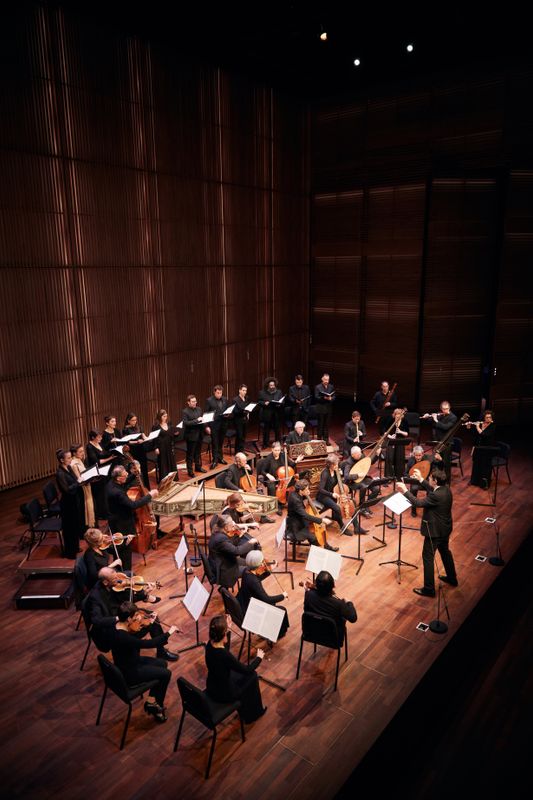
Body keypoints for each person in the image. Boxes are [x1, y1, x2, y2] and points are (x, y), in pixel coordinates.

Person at [85, 566, 178, 661]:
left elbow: (126, 601)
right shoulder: (96, 597)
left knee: (151, 617)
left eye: (117, 576)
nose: (119, 580)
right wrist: (120, 617)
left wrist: (144, 594)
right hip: (113, 628)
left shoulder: (112, 585)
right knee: (151, 622)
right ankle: (136, 652)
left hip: (122, 614)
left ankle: (161, 651)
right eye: (115, 579)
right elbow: (97, 621)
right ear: (105, 582)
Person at [113, 601, 179, 722]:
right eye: (135, 616)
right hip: (130, 673)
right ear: (129, 619)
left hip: (131, 661)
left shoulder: (118, 626)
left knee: (162, 663)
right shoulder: (124, 637)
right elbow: (147, 644)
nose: (138, 619)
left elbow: (136, 638)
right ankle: (156, 706)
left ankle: (151, 701)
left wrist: (150, 624)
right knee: (166, 674)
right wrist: (168, 633)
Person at [397, 468, 457, 597]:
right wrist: (420, 479)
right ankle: (452, 578)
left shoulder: (436, 495)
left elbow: (418, 503)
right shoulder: (446, 489)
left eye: (430, 478)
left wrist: (405, 490)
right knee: (445, 552)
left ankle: (429, 589)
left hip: (434, 532)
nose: (429, 479)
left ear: (435, 481)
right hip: (445, 529)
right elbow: (432, 489)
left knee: (428, 558)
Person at [205, 614, 266, 724]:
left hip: (212, 686)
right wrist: (259, 658)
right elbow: (247, 670)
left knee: (242, 676)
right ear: (223, 635)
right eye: (226, 632)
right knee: (252, 676)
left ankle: (246, 710)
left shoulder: (209, 645)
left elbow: (224, 647)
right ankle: (253, 715)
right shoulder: (224, 655)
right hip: (224, 693)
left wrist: (227, 628)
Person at [105, 464, 159, 570]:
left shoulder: (112, 483)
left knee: (119, 549)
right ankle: (126, 573)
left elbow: (124, 483)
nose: (127, 475)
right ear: (118, 478)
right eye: (125, 475)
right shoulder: (117, 493)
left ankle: (120, 570)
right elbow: (133, 505)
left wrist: (133, 475)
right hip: (122, 524)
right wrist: (149, 496)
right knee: (125, 551)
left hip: (115, 520)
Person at [237, 550, 289, 639]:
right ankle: (278, 634)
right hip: (251, 609)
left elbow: (257, 579)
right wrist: (282, 596)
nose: (264, 563)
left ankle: (268, 628)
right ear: (260, 565)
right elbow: (267, 599)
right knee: (282, 610)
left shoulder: (246, 571)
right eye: (262, 561)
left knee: (274, 604)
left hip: (245, 602)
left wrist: (269, 570)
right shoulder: (253, 581)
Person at [303, 570, 357, 646]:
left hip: (310, 634)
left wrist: (310, 589)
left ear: (316, 584)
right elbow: (353, 618)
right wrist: (349, 603)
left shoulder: (308, 595)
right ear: (333, 586)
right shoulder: (338, 604)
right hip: (332, 639)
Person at [208, 515, 260, 589]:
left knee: (250, 562)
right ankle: (247, 591)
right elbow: (237, 551)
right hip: (225, 570)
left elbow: (229, 546)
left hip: (224, 561)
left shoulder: (217, 531)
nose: (233, 525)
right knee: (252, 570)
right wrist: (250, 543)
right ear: (226, 527)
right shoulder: (220, 539)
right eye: (231, 525)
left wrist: (240, 535)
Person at [286, 478, 335, 550]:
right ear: (300, 491)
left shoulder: (295, 493)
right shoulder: (295, 500)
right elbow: (305, 515)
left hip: (299, 518)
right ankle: (317, 550)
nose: (308, 491)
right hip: (296, 526)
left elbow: (301, 501)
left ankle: (326, 545)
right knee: (314, 537)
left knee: (318, 525)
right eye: (306, 490)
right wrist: (321, 520)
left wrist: (306, 495)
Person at [317, 454, 358, 536]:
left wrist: (340, 475)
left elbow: (339, 484)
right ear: (331, 465)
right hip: (324, 496)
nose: (337, 465)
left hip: (334, 494)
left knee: (352, 502)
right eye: (336, 464)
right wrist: (331, 494)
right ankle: (342, 527)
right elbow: (320, 489)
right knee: (337, 508)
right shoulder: (325, 473)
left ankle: (357, 527)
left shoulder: (336, 471)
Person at [257, 441, 301, 515]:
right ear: (272, 449)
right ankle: (276, 505)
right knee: (271, 487)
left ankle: (289, 502)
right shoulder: (269, 458)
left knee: (293, 484)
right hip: (273, 478)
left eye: (279, 450)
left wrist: (296, 461)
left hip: (282, 479)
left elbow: (291, 465)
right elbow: (263, 471)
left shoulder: (283, 455)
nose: (277, 452)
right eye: (276, 450)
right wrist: (269, 475)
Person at [55, 448, 84, 559]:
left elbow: (75, 480)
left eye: (71, 457)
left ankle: (75, 547)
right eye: (68, 458)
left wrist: (79, 481)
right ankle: (70, 552)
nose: (71, 459)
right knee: (69, 528)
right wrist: (78, 482)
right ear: (62, 460)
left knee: (75, 526)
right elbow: (66, 490)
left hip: (73, 500)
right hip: (67, 504)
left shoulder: (68, 467)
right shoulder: (60, 473)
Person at [342, 445, 382, 522]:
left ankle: (367, 504)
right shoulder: (348, 462)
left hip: (363, 478)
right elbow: (346, 476)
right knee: (363, 487)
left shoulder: (361, 456)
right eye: (358, 455)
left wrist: (377, 455)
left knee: (376, 489)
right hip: (353, 482)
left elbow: (370, 462)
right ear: (353, 455)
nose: (360, 455)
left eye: (360, 454)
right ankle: (361, 506)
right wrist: (357, 475)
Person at [421, 401, 457, 482]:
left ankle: (447, 481)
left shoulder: (453, 417)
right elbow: (431, 421)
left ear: (449, 408)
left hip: (447, 443)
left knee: (446, 463)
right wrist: (427, 417)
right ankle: (439, 480)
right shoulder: (440, 414)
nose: (445, 410)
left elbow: (445, 427)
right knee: (437, 461)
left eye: (447, 409)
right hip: (438, 442)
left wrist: (436, 420)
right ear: (441, 409)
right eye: (443, 409)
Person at [86, 429, 115, 521]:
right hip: (97, 472)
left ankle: (108, 510)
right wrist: (110, 458)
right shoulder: (89, 447)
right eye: (99, 437)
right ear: (93, 437)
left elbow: (104, 453)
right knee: (101, 493)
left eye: (101, 436)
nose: (101, 438)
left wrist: (113, 452)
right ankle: (102, 514)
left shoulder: (99, 443)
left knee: (106, 490)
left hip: (105, 469)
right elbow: (96, 461)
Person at [404, 445, 441, 516]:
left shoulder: (428, 459)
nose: (418, 457)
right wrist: (410, 476)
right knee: (413, 489)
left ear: (423, 454)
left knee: (430, 490)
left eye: (419, 455)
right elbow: (405, 473)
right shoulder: (411, 460)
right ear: (413, 454)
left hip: (426, 481)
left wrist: (440, 460)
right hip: (415, 482)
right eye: (416, 455)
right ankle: (413, 510)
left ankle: (428, 510)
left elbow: (437, 466)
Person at [467, 410, 497, 488]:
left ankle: (484, 483)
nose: (488, 419)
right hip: (478, 448)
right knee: (476, 464)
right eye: (486, 417)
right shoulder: (481, 424)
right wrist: (469, 426)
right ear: (484, 417)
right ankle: (474, 481)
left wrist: (477, 427)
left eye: (490, 417)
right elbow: (474, 434)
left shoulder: (493, 426)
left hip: (487, 449)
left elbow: (484, 435)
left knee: (485, 466)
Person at [182, 394, 208, 478]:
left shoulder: (199, 409)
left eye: (195, 401)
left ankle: (198, 467)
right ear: (188, 402)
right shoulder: (185, 411)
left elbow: (202, 420)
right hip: (191, 436)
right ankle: (190, 471)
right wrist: (197, 420)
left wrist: (206, 426)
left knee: (198, 452)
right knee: (190, 454)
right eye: (193, 402)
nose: (195, 403)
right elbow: (186, 423)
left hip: (199, 434)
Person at [70, 443, 95, 528]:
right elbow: (79, 480)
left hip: (87, 486)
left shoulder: (79, 460)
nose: (83, 453)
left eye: (83, 451)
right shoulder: (74, 464)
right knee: (85, 509)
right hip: (82, 490)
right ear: (74, 453)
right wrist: (91, 478)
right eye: (80, 451)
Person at [123, 413, 151, 488]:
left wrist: (148, 438)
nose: (134, 422)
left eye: (135, 420)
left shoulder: (139, 427)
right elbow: (127, 441)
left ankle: (146, 487)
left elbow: (144, 437)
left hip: (141, 450)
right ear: (128, 421)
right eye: (133, 420)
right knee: (136, 469)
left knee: (144, 469)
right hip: (133, 451)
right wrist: (137, 441)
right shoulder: (125, 430)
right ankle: (139, 488)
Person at [205, 384, 229, 469]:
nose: (219, 394)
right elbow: (206, 414)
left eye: (220, 393)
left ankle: (220, 458)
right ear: (214, 392)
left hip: (223, 424)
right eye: (218, 393)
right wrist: (206, 426)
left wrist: (228, 414)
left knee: (221, 442)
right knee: (215, 443)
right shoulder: (209, 400)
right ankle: (215, 460)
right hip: (214, 425)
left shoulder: (225, 399)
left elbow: (227, 409)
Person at [151, 409, 178, 480]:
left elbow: (171, 434)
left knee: (171, 461)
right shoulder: (155, 426)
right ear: (160, 417)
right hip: (161, 447)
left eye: (166, 416)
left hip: (169, 445)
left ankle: (173, 478)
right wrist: (155, 448)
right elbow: (154, 438)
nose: (165, 418)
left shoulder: (169, 423)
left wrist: (176, 434)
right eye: (164, 416)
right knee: (163, 463)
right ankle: (165, 480)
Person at [384, 408, 410, 480]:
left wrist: (400, 431)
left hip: (400, 441)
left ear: (402, 415)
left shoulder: (405, 421)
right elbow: (385, 432)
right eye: (396, 414)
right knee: (389, 458)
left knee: (399, 458)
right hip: (391, 441)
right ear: (394, 415)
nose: (398, 416)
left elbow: (407, 433)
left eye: (399, 414)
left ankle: (399, 476)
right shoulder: (391, 420)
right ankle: (389, 477)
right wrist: (390, 436)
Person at [258, 377, 284, 448]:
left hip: (276, 414)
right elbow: (259, 402)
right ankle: (265, 444)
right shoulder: (262, 392)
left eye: (273, 385)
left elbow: (282, 401)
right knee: (266, 430)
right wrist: (264, 403)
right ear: (268, 385)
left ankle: (278, 443)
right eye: (271, 385)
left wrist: (280, 403)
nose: (272, 387)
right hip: (267, 414)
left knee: (277, 430)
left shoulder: (279, 392)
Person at [314, 373, 335, 442]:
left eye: (327, 380)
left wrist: (331, 398)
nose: (326, 381)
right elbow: (316, 397)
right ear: (322, 379)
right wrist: (324, 398)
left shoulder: (331, 387)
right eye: (325, 379)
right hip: (320, 408)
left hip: (328, 408)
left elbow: (334, 396)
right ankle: (319, 439)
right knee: (320, 424)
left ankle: (326, 440)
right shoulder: (318, 387)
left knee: (327, 425)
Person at [232, 384, 250, 453]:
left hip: (245, 419)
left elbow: (247, 406)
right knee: (239, 436)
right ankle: (237, 451)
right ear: (239, 390)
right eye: (243, 390)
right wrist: (243, 411)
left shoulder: (246, 398)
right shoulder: (235, 400)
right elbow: (235, 411)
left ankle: (242, 450)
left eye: (246, 390)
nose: (245, 392)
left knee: (244, 436)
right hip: (238, 420)